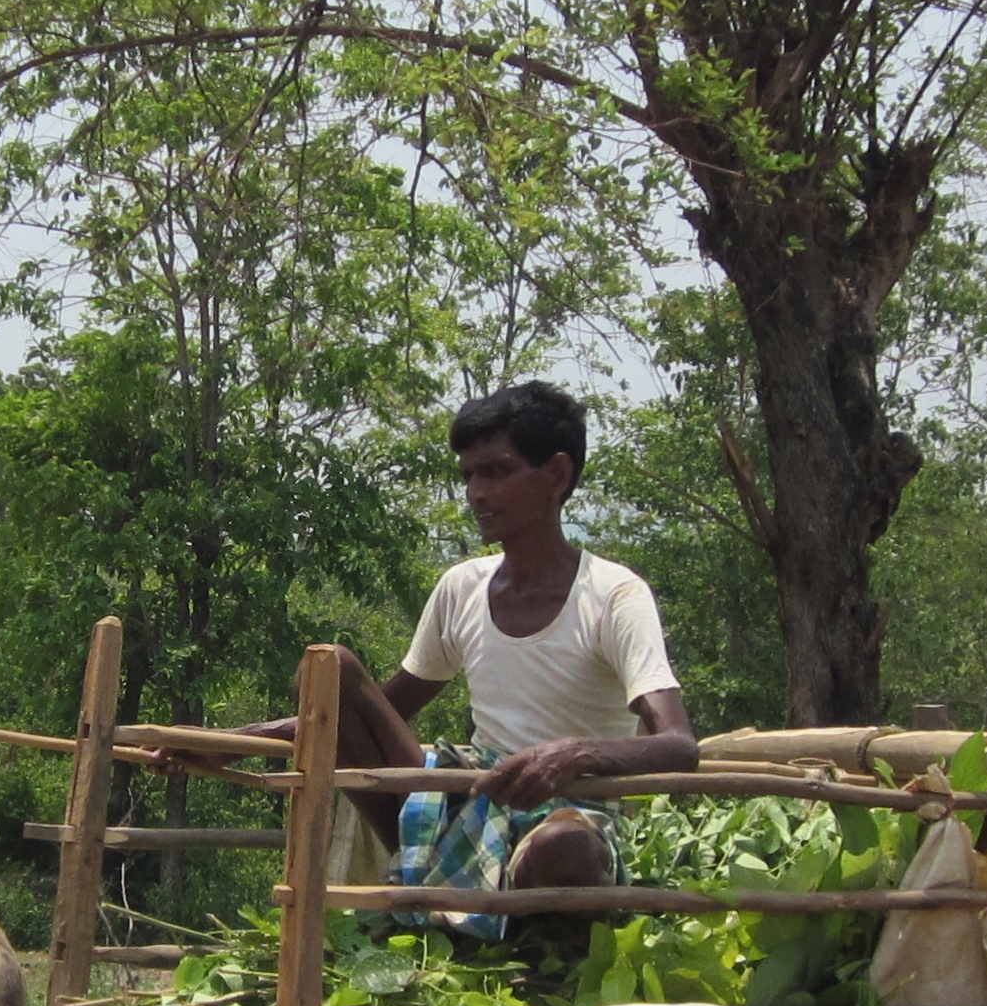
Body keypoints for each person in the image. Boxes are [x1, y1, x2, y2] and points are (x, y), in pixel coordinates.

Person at [270, 380, 697, 928]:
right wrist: (243, 741)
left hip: (571, 811)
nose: (475, 492)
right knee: (329, 670)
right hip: (467, 802)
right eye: (469, 475)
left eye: (496, 471)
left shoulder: (614, 595)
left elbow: (678, 745)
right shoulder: (461, 587)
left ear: (557, 476)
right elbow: (375, 712)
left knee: (565, 848)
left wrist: (571, 755)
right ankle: (430, 872)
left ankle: (527, 934)